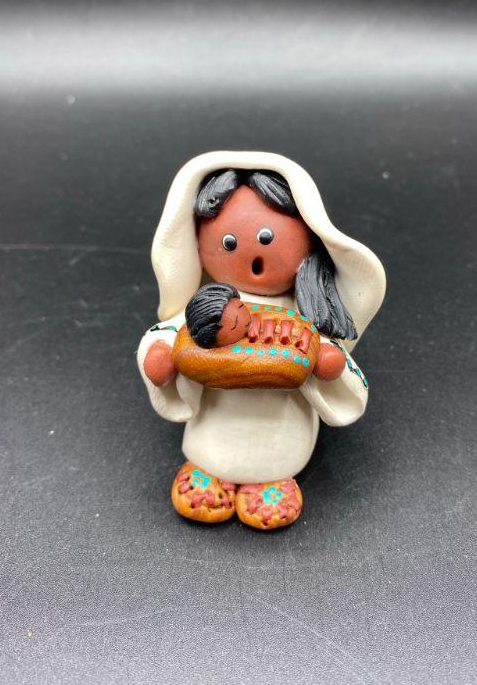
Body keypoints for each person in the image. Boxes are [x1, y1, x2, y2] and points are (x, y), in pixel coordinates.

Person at [137, 151, 385, 530]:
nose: (253, 254)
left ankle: (270, 481)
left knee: (276, 452)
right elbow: (172, 332)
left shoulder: (301, 317)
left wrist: (325, 363)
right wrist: (161, 358)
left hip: (279, 427)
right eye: (229, 241)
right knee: (211, 447)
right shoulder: (210, 304)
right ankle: (209, 471)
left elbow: (330, 355)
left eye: (267, 237)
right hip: (217, 420)